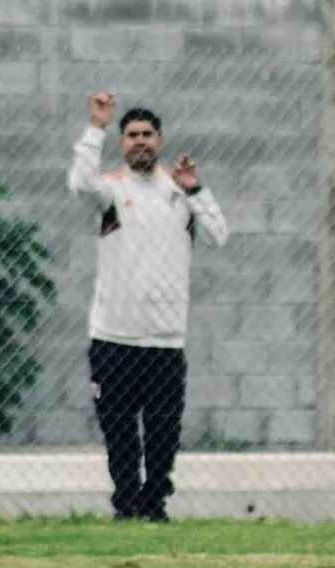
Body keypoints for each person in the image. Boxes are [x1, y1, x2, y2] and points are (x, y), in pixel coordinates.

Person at [66, 92, 229, 523]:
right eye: (132, 135)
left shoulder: (179, 194)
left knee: (161, 433)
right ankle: (125, 506)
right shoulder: (112, 192)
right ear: (122, 143)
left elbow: (217, 235)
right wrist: (96, 127)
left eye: (148, 135)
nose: (140, 141)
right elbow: (80, 184)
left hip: (164, 339)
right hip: (113, 337)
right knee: (119, 432)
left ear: (160, 141)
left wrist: (197, 189)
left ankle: (155, 505)